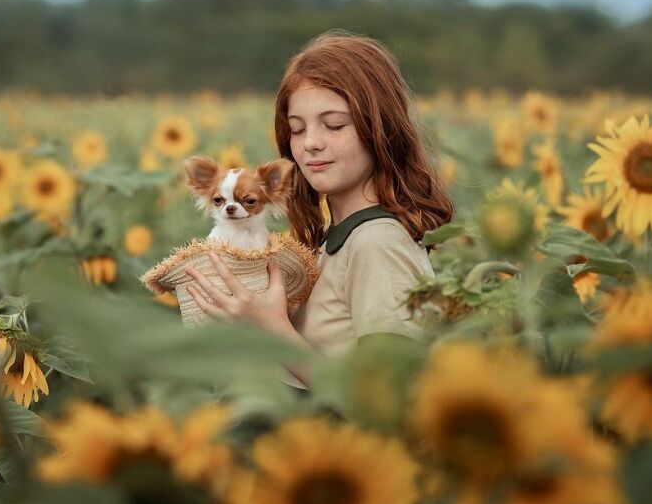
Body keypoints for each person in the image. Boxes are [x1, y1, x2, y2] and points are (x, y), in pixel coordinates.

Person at [184, 30, 454, 388]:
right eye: (297, 130)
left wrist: (272, 329)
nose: (311, 143)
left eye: (334, 125)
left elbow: (387, 394)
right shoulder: (334, 240)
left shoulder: (377, 243)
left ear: (381, 128)